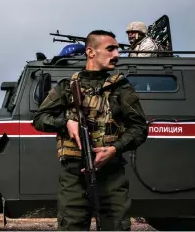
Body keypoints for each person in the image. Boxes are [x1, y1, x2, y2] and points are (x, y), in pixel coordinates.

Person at [32, 30, 148, 231]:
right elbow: (39, 118)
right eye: (110, 49)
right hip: (75, 175)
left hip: (111, 174)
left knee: (116, 226)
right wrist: (66, 122)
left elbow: (139, 128)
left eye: (117, 49)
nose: (116, 54)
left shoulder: (121, 87)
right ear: (90, 52)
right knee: (72, 226)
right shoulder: (67, 87)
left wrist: (114, 149)